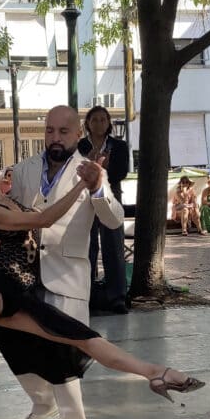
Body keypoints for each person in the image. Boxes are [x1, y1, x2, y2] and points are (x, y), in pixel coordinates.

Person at [0, 150, 204, 415]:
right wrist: (84, 185)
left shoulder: (11, 202)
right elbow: (43, 220)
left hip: (21, 295)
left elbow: (23, 233)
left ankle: (159, 373)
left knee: (83, 338)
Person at [2, 104, 125, 419]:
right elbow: (12, 215)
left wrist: (100, 187)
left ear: (77, 135)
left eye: (63, 132)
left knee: (63, 351)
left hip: (68, 275)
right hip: (23, 274)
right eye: (49, 131)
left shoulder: (87, 172)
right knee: (15, 343)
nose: (55, 138)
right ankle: (43, 403)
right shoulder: (24, 170)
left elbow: (114, 220)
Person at [78, 105, 129, 314]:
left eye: (103, 120)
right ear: (87, 123)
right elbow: (74, 171)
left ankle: (117, 297)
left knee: (114, 245)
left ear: (108, 123)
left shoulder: (119, 145)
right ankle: (85, 296)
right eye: (94, 120)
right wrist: (89, 162)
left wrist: (102, 169)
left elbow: (122, 171)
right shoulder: (79, 145)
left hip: (110, 194)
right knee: (87, 246)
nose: (99, 123)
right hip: (84, 197)